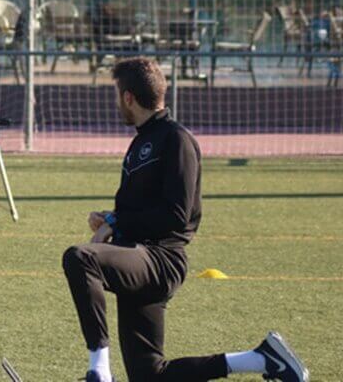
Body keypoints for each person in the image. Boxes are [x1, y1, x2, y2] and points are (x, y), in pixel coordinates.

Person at [62, 57, 309, 382]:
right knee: (150, 376)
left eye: (116, 94)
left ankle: (99, 371)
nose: (116, 102)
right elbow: (143, 208)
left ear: (128, 97)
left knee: (79, 258)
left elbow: (177, 216)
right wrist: (111, 219)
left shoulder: (175, 139)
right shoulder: (142, 140)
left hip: (162, 259)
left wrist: (117, 223)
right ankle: (262, 359)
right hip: (139, 256)